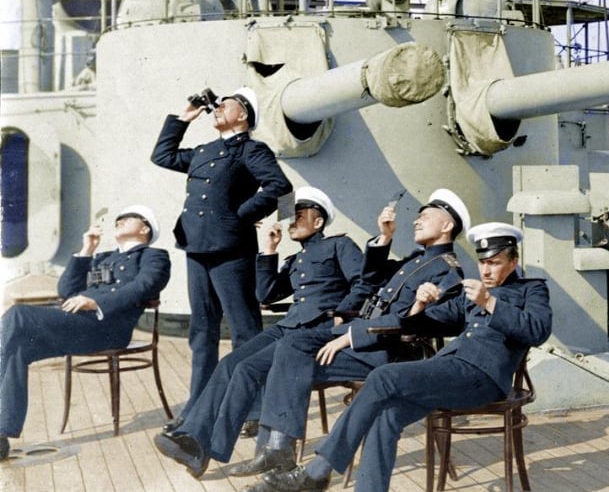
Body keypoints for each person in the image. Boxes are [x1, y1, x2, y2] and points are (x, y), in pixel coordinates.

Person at [243, 221, 552, 492]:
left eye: (495, 262)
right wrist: (421, 304)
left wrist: (491, 304)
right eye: (483, 262)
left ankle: (318, 470)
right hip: (448, 371)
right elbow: (419, 324)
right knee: (385, 417)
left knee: (383, 376)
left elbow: (538, 329)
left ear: (513, 262)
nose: (486, 270)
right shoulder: (472, 292)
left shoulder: (531, 290)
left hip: (482, 378)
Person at [224, 188, 470, 478]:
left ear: (447, 226)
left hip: (391, 350)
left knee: (291, 353)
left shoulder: (448, 272)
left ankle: (278, 452)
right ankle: (275, 450)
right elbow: (372, 278)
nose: (416, 222)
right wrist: (385, 237)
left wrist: (353, 335)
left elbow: (427, 322)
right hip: (366, 337)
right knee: (289, 347)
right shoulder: (416, 260)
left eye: (425, 217)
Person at [153, 186, 368, 476]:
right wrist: (269, 251)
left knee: (247, 369)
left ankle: (206, 449)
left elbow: (364, 282)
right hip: (287, 326)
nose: (291, 220)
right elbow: (265, 295)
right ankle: (196, 443)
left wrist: (343, 313)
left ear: (318, 222)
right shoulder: (296, 260)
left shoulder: (339, 246)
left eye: (299, 215)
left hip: (317, 329)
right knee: (231, 363)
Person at [151, 86, 293, 423]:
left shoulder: (252, 150)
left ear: (242, 114)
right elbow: (162, 156)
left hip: (231, 248)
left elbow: (282, 189)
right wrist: (183, 118)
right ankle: (199, 405)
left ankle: (254, 410)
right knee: (202, 331)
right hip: (196, 247)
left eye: (224, 105)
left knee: (244, 330)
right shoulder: (204, 150)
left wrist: (242, 214)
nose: (216, 109)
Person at [0, 206, 171, 460]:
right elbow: (66, 290)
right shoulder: (102, 257)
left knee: (17, 315)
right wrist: (86, 250)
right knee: (16, 350)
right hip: (77, 326)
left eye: (128, 218)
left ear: (145, 228)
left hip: (108, 328)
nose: (120, 220)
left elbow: (143, 286)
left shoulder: (154, 256)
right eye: (119, 218)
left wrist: (97, 303)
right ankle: (1, 436)